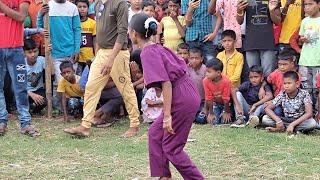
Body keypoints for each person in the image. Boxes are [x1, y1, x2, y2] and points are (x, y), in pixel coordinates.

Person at [129, 13, 204, 179]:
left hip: (180, 95)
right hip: (185, 91)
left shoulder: (147, 52)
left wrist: (167, 116)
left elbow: (166, 83)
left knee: (172, 148)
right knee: (155, 134)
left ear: (134, 33)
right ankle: (163, 176)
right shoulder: (156, 47)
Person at [64, 0, 140, 138]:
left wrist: (111, 59)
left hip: (117, 53)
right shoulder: (98, 4)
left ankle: (134, 125)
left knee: (126, 89)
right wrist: (98, 54)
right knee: (91, 87)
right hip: (102, 52)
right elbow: (99, 33)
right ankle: (85, 125)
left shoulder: (120, 3)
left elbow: (122, 33)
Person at [0, 0, 40, 137]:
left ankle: (25, 123)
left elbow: (21, 17)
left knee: (20, 87)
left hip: (16, 49)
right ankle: (1, 121)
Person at [37, 0, 81, 83]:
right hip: (55, 53)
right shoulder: (47, 6)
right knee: (61, 84)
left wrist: (77, 50)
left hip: (71, 53)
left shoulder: (73, 7)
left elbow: (77, 29)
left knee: (73, 83)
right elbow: (40, 28)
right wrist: (40, 15)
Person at [236, 0, 281, 76]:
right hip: (251, 42)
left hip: (268, 43)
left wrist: (271, 10)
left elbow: (278, 21)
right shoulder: (246, 0)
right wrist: (239, 10)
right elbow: (239, 21)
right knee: (253, 75)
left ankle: (265, 88)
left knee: (268, 75)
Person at [298, 0, 320, 104]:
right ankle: (308, 114)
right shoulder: (304, 21)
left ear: (319, 4)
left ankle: (318, 115)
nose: (307, 7)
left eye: (310, 4)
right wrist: (302, 40)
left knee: (317, 89)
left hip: (318, 61)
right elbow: (300, 39)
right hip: (305, 61)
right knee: (306, 90)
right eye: (305, 4)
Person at [202, 59, 232, 125]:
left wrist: (226, 112)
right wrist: (211, 113)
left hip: (226, 105)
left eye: (209, 72)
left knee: (224, 121)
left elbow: (226, 99)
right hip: (215, 104)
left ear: (218, 73)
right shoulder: (205, 81)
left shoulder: (226, 81)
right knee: (214, 122)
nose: (206, 74)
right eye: (206, 71)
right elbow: (209, 98)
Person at [24, 39, 49, 115]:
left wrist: (49, 54)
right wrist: (31, 94)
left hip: (38, 90)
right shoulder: (22, 64)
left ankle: (33, 109)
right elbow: (18, 86)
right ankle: (29, 108)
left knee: (44, 100)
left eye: (35, 51)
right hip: (25, 91)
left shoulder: (41, 60)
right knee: (21, 98)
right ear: (24, 53)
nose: (33, 55)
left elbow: (52, 73)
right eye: (29, 52)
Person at [75, 0, 97, 75]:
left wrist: (96, 54)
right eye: (79, 7)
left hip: (89, 57)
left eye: (84, 7)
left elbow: (95, 40)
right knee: (78, 79)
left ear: (88, 8)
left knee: (88, 78)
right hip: (77, 58)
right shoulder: (73, 22)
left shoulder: (93, 23)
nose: (82, 9)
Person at [188, 48, 206, 123]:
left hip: (202, 101)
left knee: (200, 120)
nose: (194, 60)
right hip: (191, 101)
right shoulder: (186, 68)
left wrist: (205, 107)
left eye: (197, 58)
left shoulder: (205, 69)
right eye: (192, 58)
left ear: (201, 59)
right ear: (188, 59)